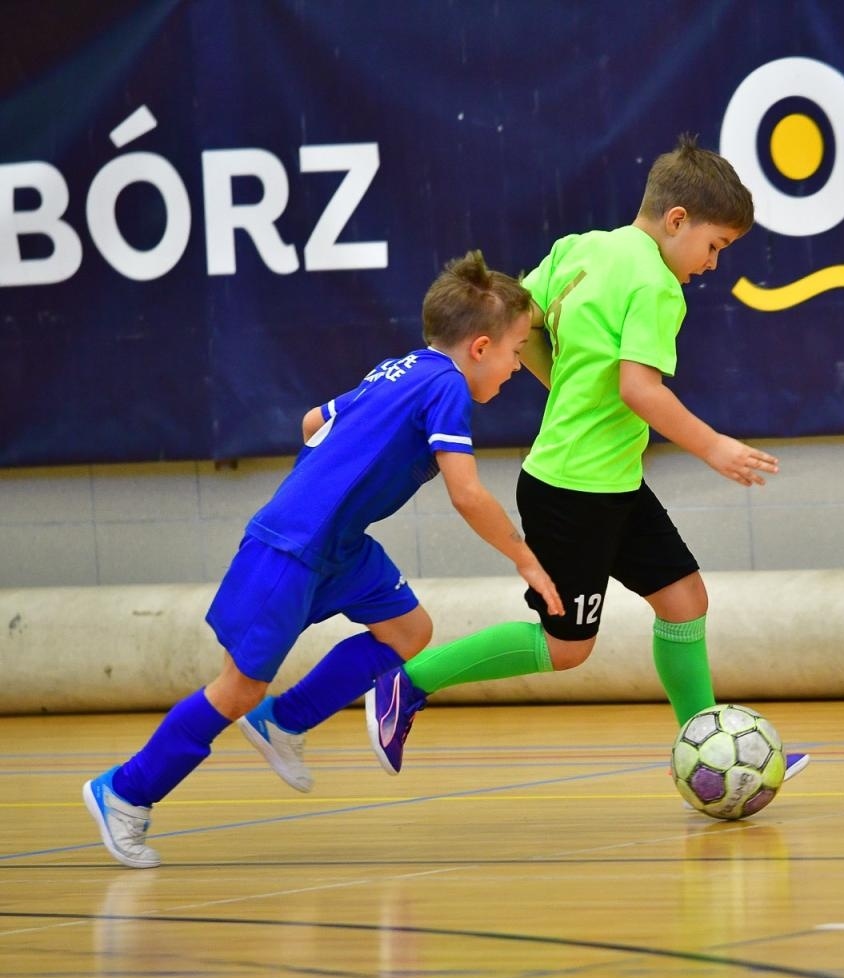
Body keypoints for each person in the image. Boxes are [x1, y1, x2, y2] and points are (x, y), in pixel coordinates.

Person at [83, 251, 562, 867]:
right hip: (293, 547)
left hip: (340, 544)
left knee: (409, 631)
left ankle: (285, 721)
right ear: (479, 347)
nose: (520, 365)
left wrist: (336, 479)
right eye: (518, 350)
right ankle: (124, 792)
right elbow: (466, 493)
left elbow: (315, 419)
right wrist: (525, 558)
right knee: (235, 689)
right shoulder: (445, 387)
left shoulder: (403, 368)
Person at [359, 134, 808, 785]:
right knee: (567, 649)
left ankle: (708, 751)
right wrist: (714, 447)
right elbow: (638, 388)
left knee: (683, 600)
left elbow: (526, 324)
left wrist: (562, 383)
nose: (712, 264)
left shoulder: (582, 248)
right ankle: (406, 685)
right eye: (715, 246)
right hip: (575, 490)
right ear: (677, 221)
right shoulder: (658, 286)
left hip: (609, 482)